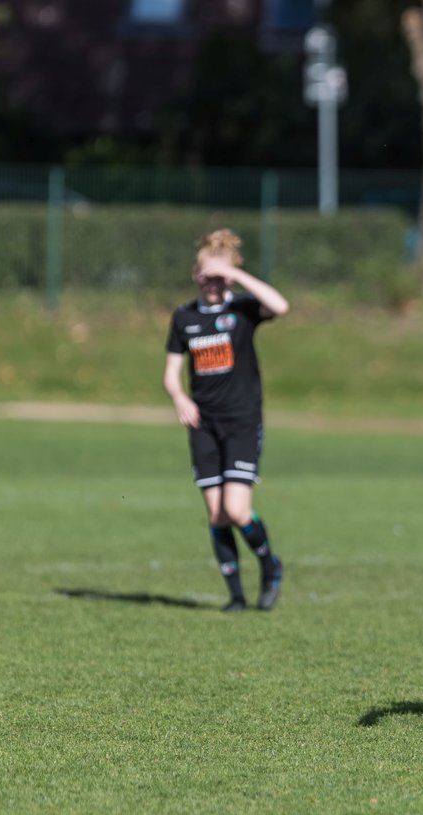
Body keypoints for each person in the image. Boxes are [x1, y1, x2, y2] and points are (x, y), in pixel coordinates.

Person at [163, 229, 290, 612]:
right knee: (216, 513)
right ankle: (235, 595)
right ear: (195, 273)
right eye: (206, 271)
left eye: (219, 273)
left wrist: (238, 277)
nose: (213, 280)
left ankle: (270, 565)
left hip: (242, 422)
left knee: (237, 510)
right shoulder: (184, 317)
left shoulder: (243, 309)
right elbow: (171, 372)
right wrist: (179, 396)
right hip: (204, 424)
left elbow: (280, 306)